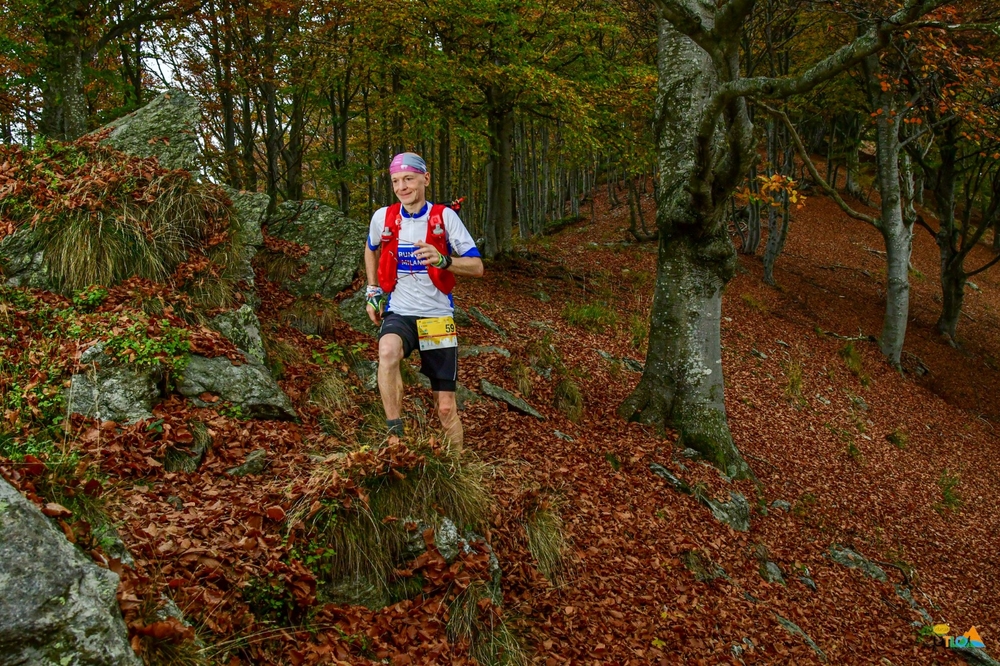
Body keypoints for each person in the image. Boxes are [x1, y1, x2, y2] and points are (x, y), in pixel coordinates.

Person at [363, 152, 484, 451]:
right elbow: (371, 249)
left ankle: (458, 472)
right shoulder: (384, 217)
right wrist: (372, 290)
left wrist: (444, 260)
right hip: (400, 312)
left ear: (425, 179)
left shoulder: (444, 217)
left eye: (408, 179)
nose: (402, 187)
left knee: (445, 408)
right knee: (387, 351)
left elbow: (477, 267)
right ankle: (395, 434)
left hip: (436, 317)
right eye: (395, 181)